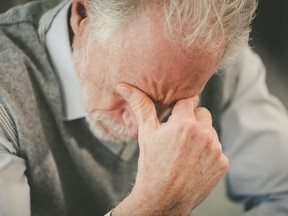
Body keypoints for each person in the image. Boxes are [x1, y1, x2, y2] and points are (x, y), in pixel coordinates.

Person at [0, 0, 288, 215]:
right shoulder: (6, 90)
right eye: (127, 93)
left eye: (172, 103)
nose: (139, 131)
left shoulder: (214, 60)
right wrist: (153, 207)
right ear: (83, 14)